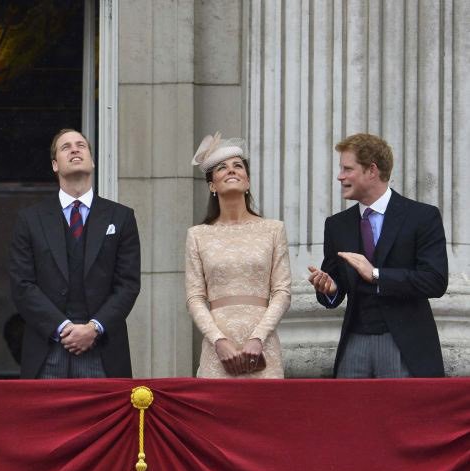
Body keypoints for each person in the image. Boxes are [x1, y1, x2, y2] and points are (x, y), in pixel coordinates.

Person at [308, 133, 448, 377]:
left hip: (405, 344)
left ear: (371, 170)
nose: (340, 176)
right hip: (354, 342)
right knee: (350, 415)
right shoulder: (336, 225)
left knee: (402, 415)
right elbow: (335, 287)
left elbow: (435, 281)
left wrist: (376, 274)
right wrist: (329, 289)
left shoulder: (422, 217)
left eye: (347, 169)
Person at [9, 128, 141, 379]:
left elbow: (128, 284)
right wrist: (63, 328)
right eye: (65, 147)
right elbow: (22, 285)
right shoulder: (30, 219)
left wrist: (93, 328)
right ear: (54, 165)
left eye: (81, 145)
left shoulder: (121, 217)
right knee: (46, 419)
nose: (74, 149)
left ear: (92, 160)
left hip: (102, 347)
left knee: (103, 419)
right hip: (48, 348)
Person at [185, 133, 292, 378]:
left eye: (238, 165)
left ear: (248, 181)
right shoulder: (198, 235)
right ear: (212, 184)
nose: (231, 170)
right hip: (217, 349)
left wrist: (258, 337)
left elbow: (282, 292)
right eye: (222, 167)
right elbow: (195, 297)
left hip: (263, 346)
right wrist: (218, 340)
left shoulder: (273, 229)